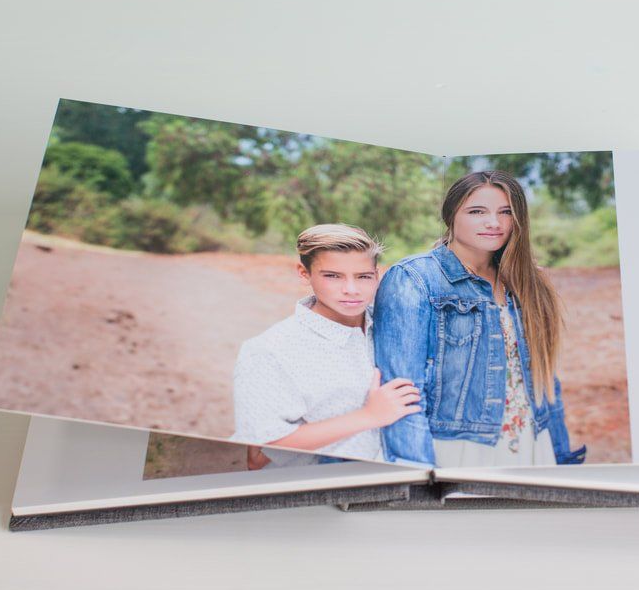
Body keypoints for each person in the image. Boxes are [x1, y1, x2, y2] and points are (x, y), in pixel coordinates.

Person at [373, 170, 586, 467]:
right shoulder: (414, 279)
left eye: (506, 212)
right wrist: (416, 476)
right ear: (451, 216)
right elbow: (404, 393)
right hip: (459, 450)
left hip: (534, 446)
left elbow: (546, 379)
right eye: (477, 211)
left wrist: (563, 457)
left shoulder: (526, 280)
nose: (494, 223)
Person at [230, 224, 421, 467]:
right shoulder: (269, 350)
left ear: (377, 274)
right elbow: (257, 457)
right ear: (304, 273)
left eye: (363, 276)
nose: (351, 290)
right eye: (332, 276)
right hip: (320, 488)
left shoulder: (396, 327)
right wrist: (368, 416)